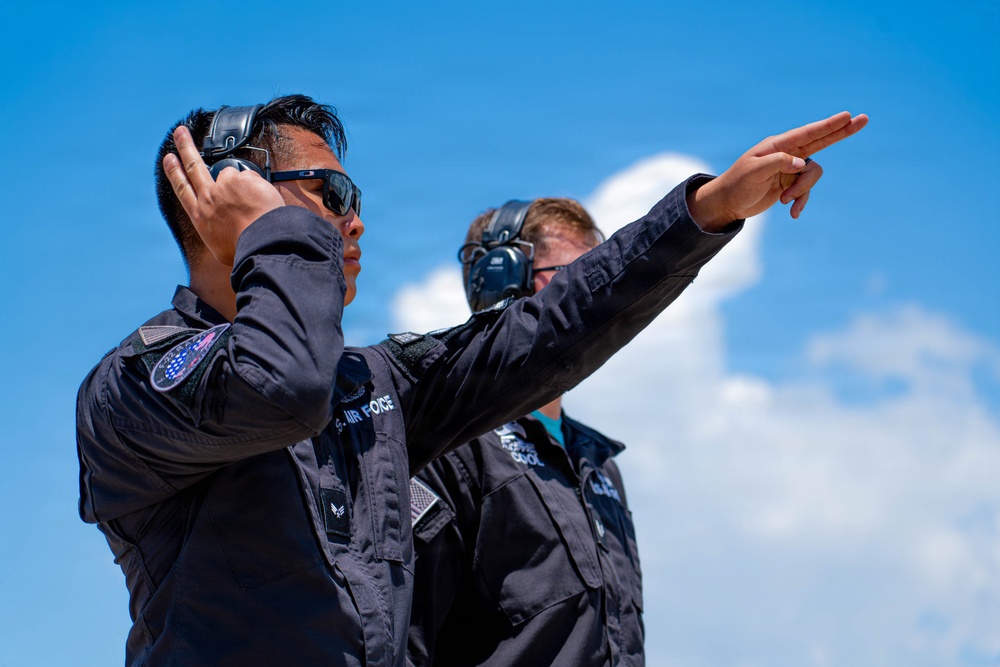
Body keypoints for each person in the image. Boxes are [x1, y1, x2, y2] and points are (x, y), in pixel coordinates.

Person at [75, 93, 866, 666]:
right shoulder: (137, 383)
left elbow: (545, 331)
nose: (355, 221)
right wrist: (277, 239)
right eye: (332, 193)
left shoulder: (373, 385)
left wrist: (706, 212)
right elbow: (280, 385)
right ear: (227, 193)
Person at [407, 198, 645, 666]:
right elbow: (406, 635)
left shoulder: (599, 463)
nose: (596, 297)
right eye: (575, 279)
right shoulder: (452, 444)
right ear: (503, 284)